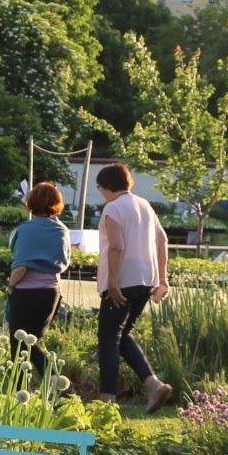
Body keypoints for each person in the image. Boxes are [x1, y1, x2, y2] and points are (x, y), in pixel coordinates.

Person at [95, 163, 174, 411]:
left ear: (106, 186)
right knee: (122, 334)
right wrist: (162, 279)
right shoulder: (145, 206)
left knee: (107, 339)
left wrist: (113, 283)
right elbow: (162, 240)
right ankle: (153, 384)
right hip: (146, 279)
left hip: (123, 280)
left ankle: (107, 400)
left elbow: (116, 246)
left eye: (100, 189)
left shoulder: (114, 207)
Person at [7, 181, 70, 383]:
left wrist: (11, 286)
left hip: (26, 293)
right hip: (51, 293)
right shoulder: (62, 230)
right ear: (57, 204)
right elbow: (64, 262)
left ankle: (19, 391)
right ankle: (53, 385)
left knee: (19, 344)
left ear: (31, 202)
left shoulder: (25, 230)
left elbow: (21, 266)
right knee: (32, 341)